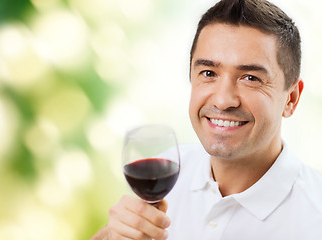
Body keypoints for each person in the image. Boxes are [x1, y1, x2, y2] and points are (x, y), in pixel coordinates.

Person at [91, 0, 322, 239]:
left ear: (291, 99)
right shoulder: (170, 171)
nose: (223, 101)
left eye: (251, 78)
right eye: (209, 73)